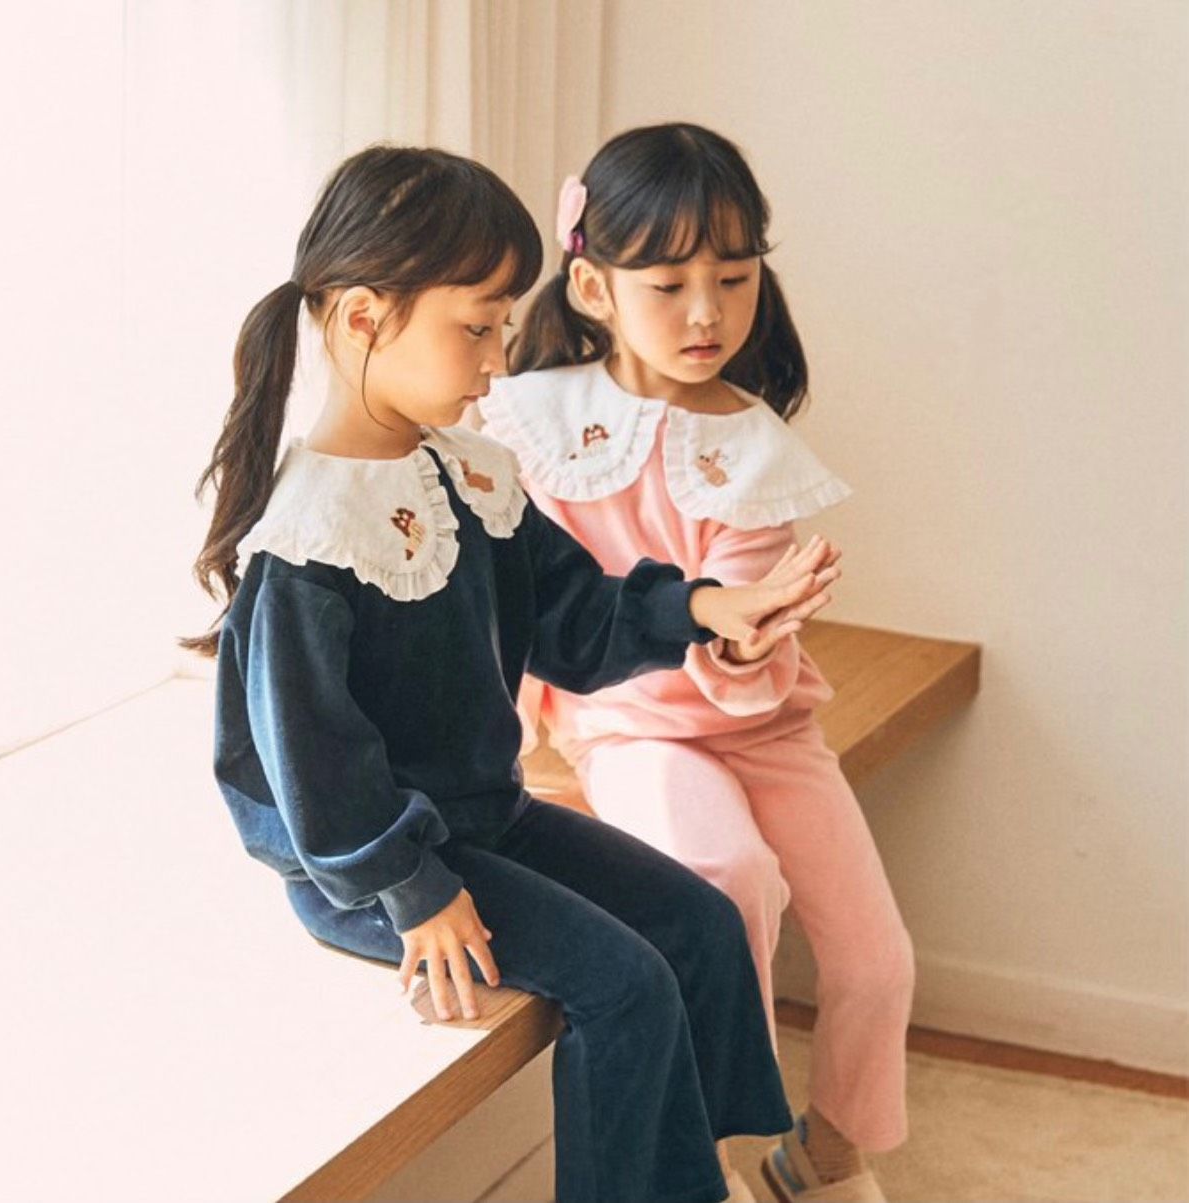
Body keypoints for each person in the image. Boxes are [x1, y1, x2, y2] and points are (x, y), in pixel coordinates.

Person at [185, 144, 841, 1203]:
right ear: (363, 319)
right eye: (477, 328)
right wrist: (416, 891)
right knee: (624, 986)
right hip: (379, 866)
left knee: (704, 925)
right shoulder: (307, 538)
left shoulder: (469, 473)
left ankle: (685, 1177)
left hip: (489, 817)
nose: (499, 360)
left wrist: (703, 609)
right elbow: (315, 766)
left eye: (501, 326)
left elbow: (572, 614)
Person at [481, 122, 914, 1203]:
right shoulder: (532, 418)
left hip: (769, 726)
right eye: (669, 285)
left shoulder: (759, 451)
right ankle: (711, 1156)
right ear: (594, 287)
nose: (707, 313)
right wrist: (508, 722)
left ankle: (824, 1156)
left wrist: (748, 636)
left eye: (733, 277)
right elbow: (515, 586)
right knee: (727, 881)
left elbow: (743, 632)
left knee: (878, 961)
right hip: (631, 727)